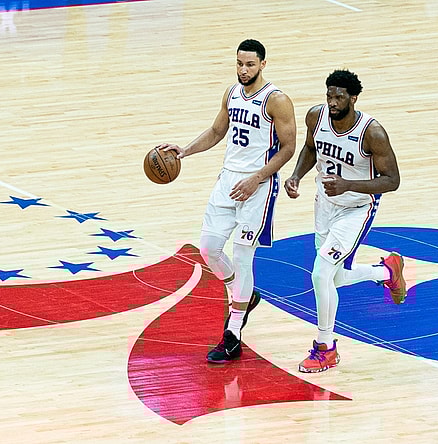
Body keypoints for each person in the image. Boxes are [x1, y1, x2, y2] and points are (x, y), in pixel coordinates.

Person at [156, 39, 297, 364]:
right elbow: (216, 131)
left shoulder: (277, 100)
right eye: (239, 64)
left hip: (258, 187)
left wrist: (257, 178)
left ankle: (233, 334)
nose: (243, 70)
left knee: (243, 256)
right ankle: (244, 295)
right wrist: (184, 151)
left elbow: (289, 148)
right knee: (209, 249)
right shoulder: (231, 93)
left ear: (263, 64)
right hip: (227, 180)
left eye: (250, 65)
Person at [284, 69, 406, 373]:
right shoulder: (316, 117)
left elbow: (392, 181)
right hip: (325, 205)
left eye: (339, 97)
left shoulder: (372, 133)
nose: (332, 102)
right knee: (334, 279)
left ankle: (325, 347)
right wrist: (296, 175)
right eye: (329, 95)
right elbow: (310, 148)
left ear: (353, 98)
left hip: (356, 209)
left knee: (320, 275)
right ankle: (386, 271)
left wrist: (348, 185)